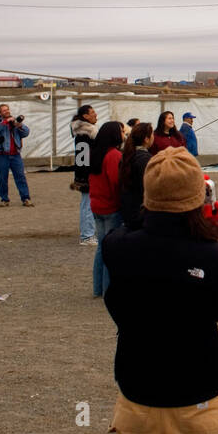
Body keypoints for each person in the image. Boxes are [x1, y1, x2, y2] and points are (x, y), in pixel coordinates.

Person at [102, 147, 218, 434]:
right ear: (198, 196)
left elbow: (135, 234)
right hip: (196, 395)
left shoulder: (117, 246)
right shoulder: (211, 255)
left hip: (137, 393)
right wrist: (212, 234)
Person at [89, 121, 126, 296]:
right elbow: (116, 182)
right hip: (111, 207)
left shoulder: (95, 153)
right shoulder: (113, 155)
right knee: (111, 250)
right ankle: (108, 289)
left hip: (97, 205)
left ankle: (98, 288)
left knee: (101, 248)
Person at [0, 104, 32, 206]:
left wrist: (19, 125)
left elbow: (26, 133)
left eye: (7, 110)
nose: (7, 112)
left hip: (15, 155)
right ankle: (4, 199)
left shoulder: (14, 122)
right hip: (1, 154)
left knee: (20, 177)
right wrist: (4, 122)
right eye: (4, 110)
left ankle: (25, 198)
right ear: (0, 113)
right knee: (2, 178)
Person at [118, 122, 155, 232]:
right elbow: (149, 187)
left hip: (128, 209)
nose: (154, 137)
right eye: (152, 134)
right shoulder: (145, 159)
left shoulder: (128, 155)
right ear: (146, 139)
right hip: (140, 212)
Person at [71, 106, 99, 246]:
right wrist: (86, 175)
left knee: (88, 204)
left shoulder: (83, 133)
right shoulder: (84, 134)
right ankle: (87, 235)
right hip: (86, 174)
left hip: (85, 173)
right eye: (92, 112)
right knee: (88, 205)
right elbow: (82, 158)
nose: (96, 115)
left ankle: (89, 233)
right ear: (85, 116)